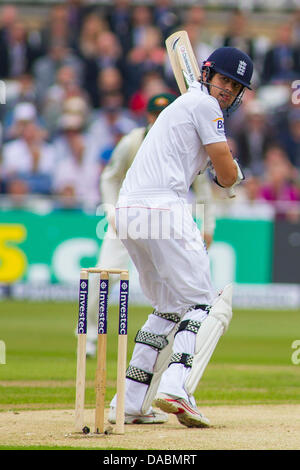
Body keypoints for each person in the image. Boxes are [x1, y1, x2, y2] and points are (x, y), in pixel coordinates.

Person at [107, 46, 253, 428]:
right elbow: (223, 171)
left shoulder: (185, 106)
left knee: (168, 308)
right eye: (223, 80)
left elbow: (213, 165)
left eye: (235, 86)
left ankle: (131, 401)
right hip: (163, 208)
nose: (227, 90)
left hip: (128, 212)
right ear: (206, 74)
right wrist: (233, 173)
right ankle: (175, 387)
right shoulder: (205, 106)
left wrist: (226, 170)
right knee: (201, 304)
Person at [86, 92, 216, 358]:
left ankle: (171, 344)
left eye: (163, 114)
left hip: (167, 219)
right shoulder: (132, 141)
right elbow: (109, 177)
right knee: (104, 275)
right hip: (127, 218)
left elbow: (203, 190)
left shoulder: (187, 143)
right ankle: (90, 336)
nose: (159, 120)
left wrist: (207, 226)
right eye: (154, 115)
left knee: (172, 288)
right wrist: (111, 210)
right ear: (147, 116)